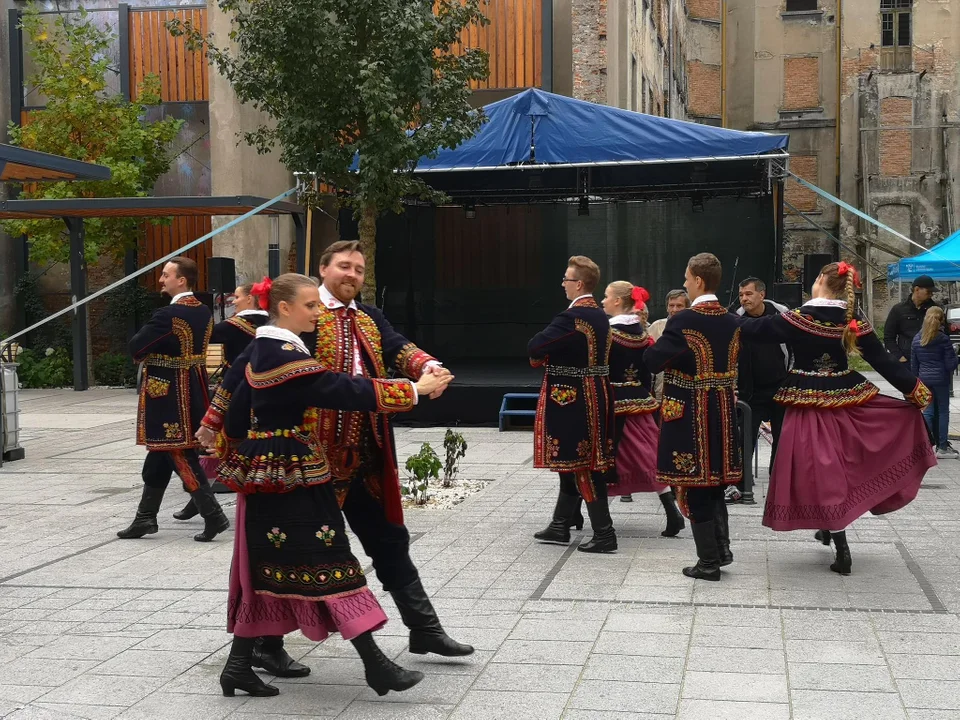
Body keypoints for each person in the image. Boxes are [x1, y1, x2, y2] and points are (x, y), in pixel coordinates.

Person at [201, 241, 474, 676]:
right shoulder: (301, 314)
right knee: (302, 551)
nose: (352, 275)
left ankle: (424, 627)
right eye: (344, 266)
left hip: (363, 452)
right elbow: (243, 372)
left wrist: (429, 367)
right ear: (323, 270)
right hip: (311, 459)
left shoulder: (367, 317)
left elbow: (399, 347)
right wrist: (214, 421)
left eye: (360, 270)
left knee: (387, 540)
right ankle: (268, 646)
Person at [740, 261, 935, 575]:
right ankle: (830, 528)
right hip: (846, 400)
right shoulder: (851, 318)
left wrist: (716, 316)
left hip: (807, 405)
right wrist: (914, 388)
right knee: (839, 467)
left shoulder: (800, 318)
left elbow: (754, 329)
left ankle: (839, 540)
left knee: (817, 470)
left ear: (819, 281)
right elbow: (882, 360)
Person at [117, 257, 230, 543]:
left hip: (168, 393)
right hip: (195, 387)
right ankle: (145, 518)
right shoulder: (204, 311)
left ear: (182, 280)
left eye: (166, 275)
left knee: (178, 452)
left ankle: (213, 515)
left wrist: (149, 354)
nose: (160, 279)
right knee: (160, 453)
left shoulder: (168, 314)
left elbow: (136, 346)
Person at [644, 253, 742, 581]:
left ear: (699, 281)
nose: (685, 283)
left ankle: (709, 562)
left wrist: (650, 348)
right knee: (713, 483)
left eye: (687, 278)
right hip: (723, 413)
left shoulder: (684, 321)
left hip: (690, 415)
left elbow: (655, 360)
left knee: (696, 486)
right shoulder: (731, 320)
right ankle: (722, 549)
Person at [531, 255, 617, 553]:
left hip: (574, 398)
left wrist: (546, 356)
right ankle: (560, 525)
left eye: (566, 279)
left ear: (579, 283)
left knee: (584, 465)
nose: (563, 284)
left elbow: (535, 346)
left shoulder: (573, 317)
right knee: (574, 463)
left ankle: (605, 534)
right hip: (597, 393)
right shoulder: (600, 315)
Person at [174, 283, 269, 522]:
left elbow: (204, 336)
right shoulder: (271, 324)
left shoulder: (233, 326)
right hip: (262, 391)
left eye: (237, 297)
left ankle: (201, 498)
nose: (233, 301)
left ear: (250, 299)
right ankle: (200, 500)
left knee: (219, 442)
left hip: (235, 391)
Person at [601, 281, 686, 536]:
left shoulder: (608, 334)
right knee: (648, 455)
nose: (602, 301)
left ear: (618, 301)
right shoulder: (642, 335)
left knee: (605, 458)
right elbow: (648, 371)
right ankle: (672, 511)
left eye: (606, 296)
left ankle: (596, 520)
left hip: (612, 404)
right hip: (640, 402)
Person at [733, 277, 790, 501]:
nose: (744, 299)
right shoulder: (736, 319)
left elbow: (793, 348)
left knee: (782, 436)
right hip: (750, 391)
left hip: (779, 385)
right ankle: (742, 482)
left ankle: (778, 480)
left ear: (762, 295)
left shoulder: (781, 314)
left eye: (748, 294)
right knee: (744, 437)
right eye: (741, 295)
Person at [912, 306, 959, 458]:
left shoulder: (917, 338)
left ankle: (923, 446)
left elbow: (914, 364)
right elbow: (950, 364)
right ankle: (943, 448)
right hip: (941, 380)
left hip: (924, 379)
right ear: (940, 320)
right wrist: (956, 355)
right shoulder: (943, 338)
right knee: (943, 411)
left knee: (928, 411)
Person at [884, 275, 942, 363]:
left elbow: (944, 333)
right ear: (917, 289)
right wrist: (899, 356)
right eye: (928, 291)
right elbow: (888, 336)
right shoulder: (899, 309)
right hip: (907, 360)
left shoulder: (935, 309)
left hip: (930, 360)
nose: (931, 294)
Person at [648, 289, 690, 400]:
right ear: (667, 307)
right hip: (659, 392)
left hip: (685, 390)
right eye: (671, 305)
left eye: (679, 306)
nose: (674, 310)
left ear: (687, 307)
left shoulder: (692, 328)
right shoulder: (656, 326)